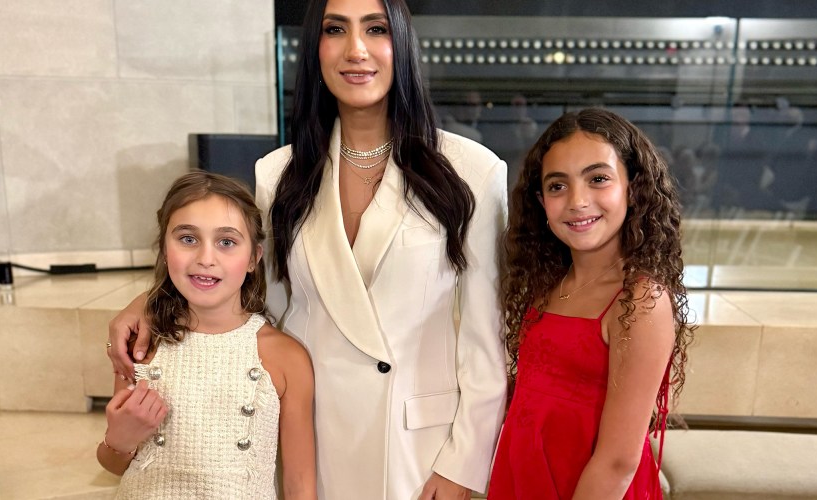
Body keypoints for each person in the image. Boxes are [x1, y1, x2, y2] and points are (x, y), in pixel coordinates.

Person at [106, 0, 509, 498]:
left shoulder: (472, 170)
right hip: (315, 439)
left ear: (401, 42)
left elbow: (485, 341)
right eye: (335, 29)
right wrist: (150, 301)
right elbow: (251, 293)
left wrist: (463, 465)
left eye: (376, 29)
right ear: (315, 49)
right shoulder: (277, 173)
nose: (355, 49)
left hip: (420, 449)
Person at [488, 108, 694, 499]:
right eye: (557, 186)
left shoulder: (639, 300)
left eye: (598, 179)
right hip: (525, 477)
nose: (577, 201)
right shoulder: (548, 284)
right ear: (540, 200)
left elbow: (618, 460)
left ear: (633, 188)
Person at [97, 171, 316, 499]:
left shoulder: (286, 358)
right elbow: (113, 464)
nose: (205, 258)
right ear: (164, 248)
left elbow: (299, 485)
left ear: (254, 258)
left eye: (226, 242)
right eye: (188, 238)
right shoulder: (142, 345)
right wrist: (121, 439)